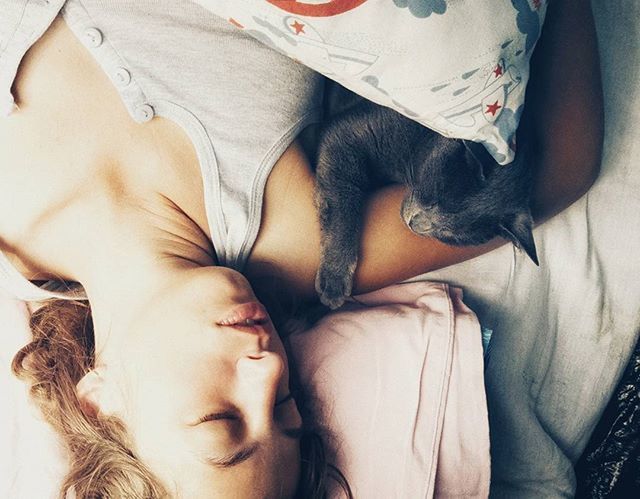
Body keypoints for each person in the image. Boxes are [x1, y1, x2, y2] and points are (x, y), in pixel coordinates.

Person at [1, 0, 602, 497]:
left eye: (221, 422)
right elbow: (558, 166)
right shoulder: (300, 244)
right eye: (287, 406)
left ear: (99, 405)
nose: (268, 369)